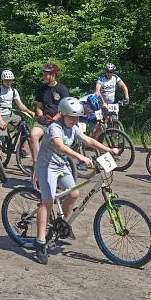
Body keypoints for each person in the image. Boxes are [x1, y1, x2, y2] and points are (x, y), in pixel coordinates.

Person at [31, 97, 120, 265]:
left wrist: (109, 149)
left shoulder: (74, 128)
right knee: (48, 202)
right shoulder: (54, 128)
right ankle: (40, 241)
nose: (74, 120)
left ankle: (62, 224)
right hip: (46, 167)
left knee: (74, 193)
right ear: (62, 114)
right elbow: (60, 146)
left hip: (61, 165)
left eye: (77, 117)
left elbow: (89, 140)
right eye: (71, 117)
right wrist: (80, 157)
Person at [29, 63, 69, 163]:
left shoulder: (62, 89)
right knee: (33, 135)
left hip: (59, 120)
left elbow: (65, 107)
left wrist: (56, 118)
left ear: (53, 75)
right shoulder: (41, 89)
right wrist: (41, 116)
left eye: (46, 75)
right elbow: (38, 107)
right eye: (43, 74)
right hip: (45, 119)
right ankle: (38, 163)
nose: (44, 77)